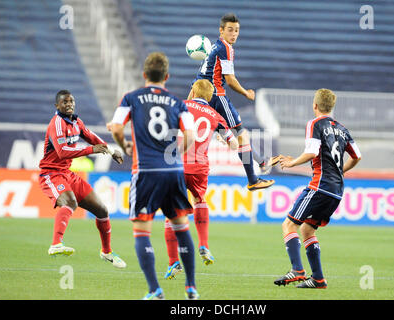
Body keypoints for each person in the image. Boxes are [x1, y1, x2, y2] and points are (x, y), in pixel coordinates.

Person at [109, 52, 200, 300]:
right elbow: (191, 135)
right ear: (167, 77)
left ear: (144, 75)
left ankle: (154, 289)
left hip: (146, 171)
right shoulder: (177, 102)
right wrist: (176, 152)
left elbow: (116, 127)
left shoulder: (131, 97)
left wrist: (124, 144)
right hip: (173, 171)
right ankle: (191, 287)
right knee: (182, 228)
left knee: (142, 231)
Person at [273, 89, 362, 289]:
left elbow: (312, 152)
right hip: (337, 191)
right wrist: (340, 172)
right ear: (331, 107)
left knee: (289, 225)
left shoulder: (314, 124)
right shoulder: (342, 129)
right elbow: (357, 156)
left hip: (320, 186)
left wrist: (292, 163)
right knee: (307, 229)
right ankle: (318, 279)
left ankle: (297, 270)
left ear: (315, 106)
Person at [188, 12, 278, 191]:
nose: (234, 34)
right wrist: (246, 93)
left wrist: (190, 101)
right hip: (217, 96)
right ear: (221, 31)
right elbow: (230, 79)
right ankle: (253, 178)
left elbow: (199, 77)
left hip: (201, 95)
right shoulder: (226, 48)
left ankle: (261, 161)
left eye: (236, 30)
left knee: (236, 135)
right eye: (230, 30)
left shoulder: (214, 47)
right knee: (241, 135)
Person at [39, 90, 126, 269]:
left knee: (102, 210)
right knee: (70, 202)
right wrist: (90, 150)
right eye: (65, 102)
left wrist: (111, 151)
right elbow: (62, 152)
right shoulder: (56, 124)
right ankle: (56, 244)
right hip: (51, 173)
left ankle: (107, 252)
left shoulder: (76, 122)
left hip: (67, 173)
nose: (69, 104)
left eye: (71, 101)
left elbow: (91, 137)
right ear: (57, 106)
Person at [164, 79, 238, 280]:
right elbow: (234, 144)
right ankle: (204, 244)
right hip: (200, 166)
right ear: (211, 96)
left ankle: (173, 263)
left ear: (193, 91)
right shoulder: (215, 115)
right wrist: (223, 139)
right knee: (200, 201)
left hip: (178, 164)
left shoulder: (181, 106)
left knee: (172, 213)